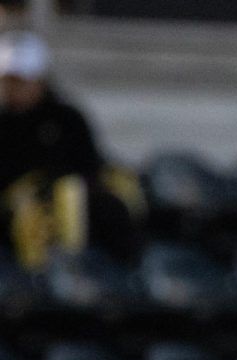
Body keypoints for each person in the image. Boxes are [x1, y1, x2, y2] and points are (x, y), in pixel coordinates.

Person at [0, 29, 142, 269]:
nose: (15, 88)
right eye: (9, 80)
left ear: (41, 80)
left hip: (74, 204)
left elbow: (88, 165)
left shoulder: (67, 119)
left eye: (21, 80)